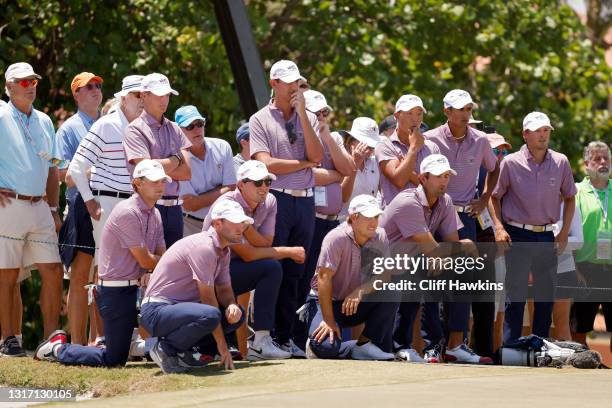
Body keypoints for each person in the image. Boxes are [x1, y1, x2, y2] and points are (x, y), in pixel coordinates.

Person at [34, 160, 170, 366]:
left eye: (162, 181)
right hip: (115, 294)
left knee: (127, 349)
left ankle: (132, 343)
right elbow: (146, 258)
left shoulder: (156, 213)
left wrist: (154, 265)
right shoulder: (128, 211)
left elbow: (161, 256)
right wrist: (153, 264)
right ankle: (57, 349)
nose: (160, 186)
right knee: (114, 360)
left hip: (135, 290)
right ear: (137, 184)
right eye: (153, 181)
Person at [379, 154, 493, 364]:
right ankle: (402, 346)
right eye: (439, 176)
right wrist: (460, 247)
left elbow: (450, 244)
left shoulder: (446, 201)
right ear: (423, 178)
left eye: (447, 176)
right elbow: (440, 247)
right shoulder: (408, 202)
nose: (444, 181)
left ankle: (454, 346)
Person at [249, 60, 324, 356]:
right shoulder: (260, 119)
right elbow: (265, 163)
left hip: (305, 199)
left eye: (297, 82)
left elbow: (317, 155)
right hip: (276, 198)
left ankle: (286, 336)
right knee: (273, 266)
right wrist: (304, 164)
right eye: (288, 82)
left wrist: (304, 115)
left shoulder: (309, 117)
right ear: (274, 84)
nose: (294, 87)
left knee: (298, 270)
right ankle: (264, 336)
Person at [202, 160, 306, 360]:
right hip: (209, 277)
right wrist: (288, 251)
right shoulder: (227, 205)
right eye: (258, 183)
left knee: (271, 268)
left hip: (230, 270)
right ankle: (219, 346)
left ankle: (261, 342)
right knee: (271, 267)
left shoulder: (270, 201)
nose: (264, 187)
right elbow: (249, 254)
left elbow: (265, 243)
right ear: (241, 185)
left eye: (267, 181)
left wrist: (245, 225)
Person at [423, 90, 498, 358]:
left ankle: (455, 345)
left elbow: (494, 167)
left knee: (462, 281)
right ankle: (432, 345)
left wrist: (485, 197)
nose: (466, 114)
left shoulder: (480, 140)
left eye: (469, 109)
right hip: (433, 215)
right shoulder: (429, 139)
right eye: (460, 109)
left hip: (465, 216)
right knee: (430, 279)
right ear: (447, 112)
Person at [490, 112, 577, 342]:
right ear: (525, 134)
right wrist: (499, 227)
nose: (543, 135)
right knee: (515, 295)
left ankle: (539, 346)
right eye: (537, 131)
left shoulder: (561, 162)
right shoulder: (510, 163)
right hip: (517, 234)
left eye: (546, 130)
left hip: (547, 235)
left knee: (545, 296)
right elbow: (493, 197)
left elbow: (570, 198)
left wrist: (564, 232)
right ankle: (511, 347)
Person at [139, 200, 252, 373]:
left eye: (242, 223)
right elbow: (208, 298)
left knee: (238, 315)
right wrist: (222, 345)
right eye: (235, 222)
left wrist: (231, 305)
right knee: (211, 314)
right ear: (217, 223)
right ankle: (165, 348)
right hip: (156, 310)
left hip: (179, 310)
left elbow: (223, 289)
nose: (241, 227)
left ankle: (186, 353)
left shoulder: (224, 250)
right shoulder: (204, 247)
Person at [0, 62, 63, 356]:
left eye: (34, 81)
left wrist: (54, 207)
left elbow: (53, 168)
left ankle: (51, 340)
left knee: (52, 269)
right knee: (7, 274)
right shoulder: (0, 113)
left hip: (40, 205)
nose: (31, 87)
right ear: (9, 87)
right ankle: (9, 339)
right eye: (24, 82)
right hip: (8, 203)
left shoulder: (44, 120)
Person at [295, 90, 354, 349]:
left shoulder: (332, 138)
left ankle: (307, 335)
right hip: (311, 217)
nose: (321, 116)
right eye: (316, 113)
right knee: (302, 277)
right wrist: (334, 173)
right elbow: (307, 173)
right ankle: (293, 336)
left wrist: (328, 138)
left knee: (321, 278)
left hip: (331, 220)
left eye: (324, 112)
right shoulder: (299, 135)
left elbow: (350, 168)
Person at [307, 194, 398, 360]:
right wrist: (328, 320)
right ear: (354, 218)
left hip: (356, 302)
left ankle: (364, 345)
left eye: (376, 216)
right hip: (326, 303)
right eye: (369, 217)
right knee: (325, 348)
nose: (374, 222)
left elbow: (385, 275)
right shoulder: (336, 237)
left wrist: (360, 291)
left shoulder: (381, 235)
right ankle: (338, 347)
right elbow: (323, 278)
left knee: (393, 289)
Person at [57, 72, 104, 345]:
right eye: (89, 87)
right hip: (78, 208)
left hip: (104, 206)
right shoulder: (69, 129)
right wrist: (95, 171)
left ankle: (97, 342)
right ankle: (76, 344)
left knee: (101, 278)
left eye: (98, 85)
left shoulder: (107, 124)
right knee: (79, 278)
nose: (96, 90)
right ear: (76, 94)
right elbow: (65, 173)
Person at [123, 73, 192, 247]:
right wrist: (177, 157)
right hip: (149, 207)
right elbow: (147, 171)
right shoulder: (134, 130)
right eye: (159, 94)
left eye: (167, 95)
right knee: (148, 268)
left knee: (173, 269)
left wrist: (158, 163)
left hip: (175, 209)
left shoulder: (175, 128)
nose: (165, 100)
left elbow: (187, 172)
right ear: (144, 95)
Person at [572, 141, 611, 351]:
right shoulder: (577, 191)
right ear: (587, 164)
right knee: (581, 323)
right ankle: (579, 364)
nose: (603, 163)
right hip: (585, 267)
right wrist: (574, 268)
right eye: (597, 159)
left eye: (606, 158)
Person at [176, 105, 236, 236]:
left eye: (199, 124)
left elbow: (232, 187)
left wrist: (200, 200)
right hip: (190, 225)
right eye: (190, 126)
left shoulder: (222, 146)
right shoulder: (176, 159)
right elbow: (190, 204)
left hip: (223, 223)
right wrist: (222, 189)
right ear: (178, 131)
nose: (197, 129)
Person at [375, 94, 440, 207]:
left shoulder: (432, 147)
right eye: (409, 113)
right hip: (394, 220)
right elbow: (399, 180)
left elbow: (435, 190)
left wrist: (408, 173)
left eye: (419, 114)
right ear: (396, 115)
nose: (415, 119)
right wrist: (413, 149)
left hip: (426, 218)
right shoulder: (384, 146)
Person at [338, 119, 382, 221]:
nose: (370, 149)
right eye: (366, 144)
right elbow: (343, 197)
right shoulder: (339, 159)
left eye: (372, 146)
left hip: (369, 223)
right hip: (343, 223)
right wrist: (355, 164)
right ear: (351, 141)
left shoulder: (375, 162)